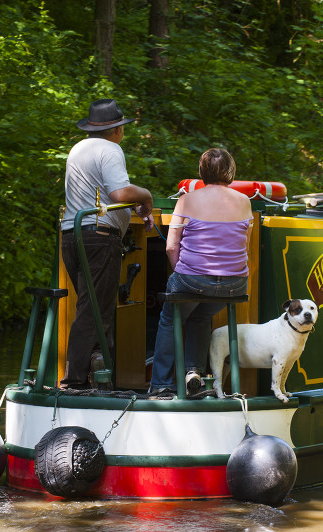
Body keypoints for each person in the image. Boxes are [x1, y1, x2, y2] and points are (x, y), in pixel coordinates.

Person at [60, 99, 154, 390]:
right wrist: (146, 197)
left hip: (71, 237)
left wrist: (130, 207)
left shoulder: (78, 149)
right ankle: (74, 382)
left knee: (96, 310)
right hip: (99, 240)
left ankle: (102, 378)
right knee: (95, 313)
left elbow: (98, 195)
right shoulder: (110, 149)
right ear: (115, 130)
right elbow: (119, 192)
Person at [149, 148, 252, 395]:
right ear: (230, 172)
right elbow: (243, 245)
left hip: (193, 281)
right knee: (201, 314)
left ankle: (161, 385)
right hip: (235, 285)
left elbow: (171, 246)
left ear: (202, 172)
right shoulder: (244, 202)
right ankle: (193, 374)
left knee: (169, 318)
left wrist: (183, 275)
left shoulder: (187, 200)